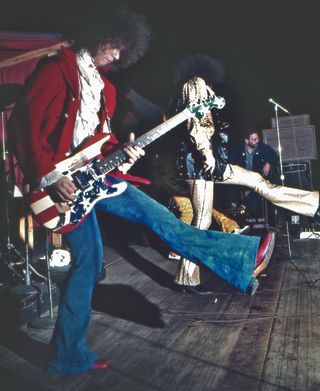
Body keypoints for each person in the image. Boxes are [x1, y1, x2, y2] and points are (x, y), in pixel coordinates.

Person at [8, 4, 262, 375]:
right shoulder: (57, 70)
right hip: (59, 188)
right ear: (97, 35)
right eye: (114, 45)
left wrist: (122, 155)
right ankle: (68, 357)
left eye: (123, 49)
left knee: (162, 219)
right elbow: (24, 126)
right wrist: (48, 175)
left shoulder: (106, 90)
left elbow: (101, 146)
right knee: (88, 266)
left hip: (100, 181)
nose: (117, 54)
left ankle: (240, 259)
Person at [168, 53, 320, 294]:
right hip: (200, 164)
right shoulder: (194, 83)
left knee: (256, 180)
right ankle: (187, 279)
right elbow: (195, 123)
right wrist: (206, 154)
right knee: (202, 220)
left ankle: (313, 204)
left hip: (213, 162)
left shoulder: (205, 89)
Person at [227, 130, 279, 218]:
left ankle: (243, 207)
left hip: (256, 180)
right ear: (247, 141)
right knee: (230, 182)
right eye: (253, 139)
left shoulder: (263, 148)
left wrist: (269, 163)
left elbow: (274, 156)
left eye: (257, 138)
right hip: (240, 178)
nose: (256, 141)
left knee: (262, 188)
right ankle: (233, 206)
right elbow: (229, 161)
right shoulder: (237, 149)